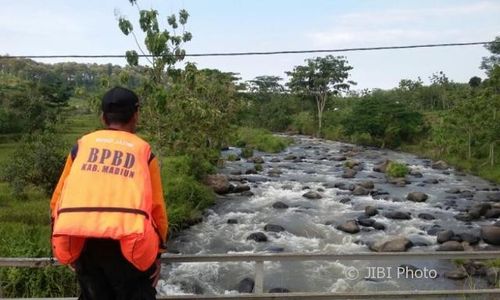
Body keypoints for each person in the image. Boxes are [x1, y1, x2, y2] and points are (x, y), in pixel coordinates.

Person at [50, 86, 168, 300]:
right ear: (136, 115)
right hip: (129, 246)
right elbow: (156, 208)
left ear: (103, 117)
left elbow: (57, 201)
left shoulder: (82, 146)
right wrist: (156, 255)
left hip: (84, 244)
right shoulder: (143, 151)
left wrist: (70, 253)